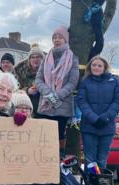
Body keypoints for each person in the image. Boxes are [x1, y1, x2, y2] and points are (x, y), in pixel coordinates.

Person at [76, 55, 119, 185]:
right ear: (90, 67)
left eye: (99, 65)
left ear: (104, 67)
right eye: (94, 65)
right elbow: (82, 101)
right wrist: (94, 118)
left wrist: (107, 117)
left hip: (107, 127)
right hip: (89, 126)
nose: (96, 67)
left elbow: (118, 101)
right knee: (90, 160)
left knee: (102, 160)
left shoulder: (114, 81)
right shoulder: (85, 82)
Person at [35, 26, 79, 158]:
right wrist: (48, 93)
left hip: (62, 105)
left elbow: (72, 83)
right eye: (54, 37)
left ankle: (58, 165)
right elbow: (38, 79)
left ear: (65, 39)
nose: (57, 40)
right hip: (46, 104)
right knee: (44, 137)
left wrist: (56, 95)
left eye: (60, 37)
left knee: (59, 136)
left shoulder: (73, 59)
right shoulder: (46, 58)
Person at [14, 44, 45, 118]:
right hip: (25, 107)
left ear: (42, 59)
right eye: (32, 57)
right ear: (29, 59)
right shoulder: (20, 72)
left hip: (44, 107)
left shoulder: (47, 72)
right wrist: (28, 90)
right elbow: (16, 90)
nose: (35, 60)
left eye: (38, 57)